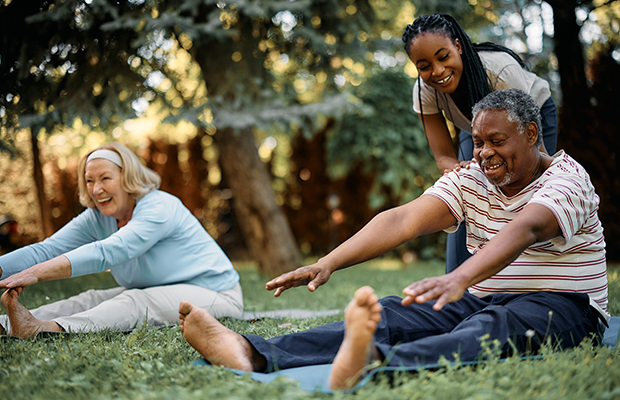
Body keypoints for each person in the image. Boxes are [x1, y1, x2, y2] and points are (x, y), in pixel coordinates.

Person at [176, 89, 607, 391]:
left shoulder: (567, 180)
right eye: (477, 142)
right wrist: (329, 261)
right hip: (481, 295)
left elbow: (526, 229)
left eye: (497, 141)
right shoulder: (472, 178)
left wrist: (461, 277)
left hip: (562, 303)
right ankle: (249, 352)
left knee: (488, 328)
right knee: (391, 313)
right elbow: (402, 220)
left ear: (532, 135)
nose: (484, 153)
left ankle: (375, 366)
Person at [0, 142, 243, 338]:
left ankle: (43, 328)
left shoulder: (159, 207)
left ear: (127, 178)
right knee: (91, 298)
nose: (96, 190)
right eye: (89, 181)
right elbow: (47, 250)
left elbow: (109, 251)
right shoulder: (97, 218)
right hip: (158, 289)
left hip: (216, 293)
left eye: (105, 178)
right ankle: (5, 324)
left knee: (136, 302)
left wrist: (36, 273)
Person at [402, 13, 559, 273]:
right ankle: (457, 287)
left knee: (524, 187)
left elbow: (532, 153)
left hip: (531, 117)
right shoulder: (424, 91)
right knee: (462, 192)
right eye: (424, 65)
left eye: (443, 57)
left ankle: (524, 278)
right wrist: (460, 175)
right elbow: (444, 158)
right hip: (473, 128)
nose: (437, 71)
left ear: (458, 46)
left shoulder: (500, 71)